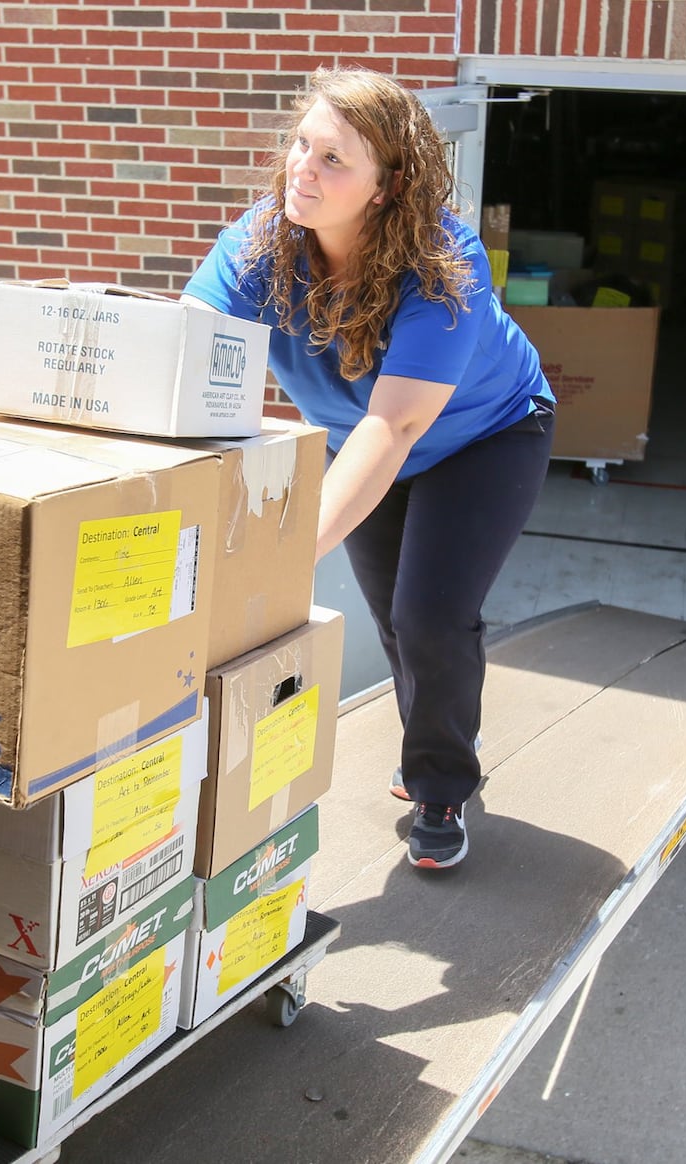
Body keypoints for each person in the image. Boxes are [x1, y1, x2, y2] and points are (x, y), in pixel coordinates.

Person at [182, 66, 555, 870]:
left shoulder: (442, 267)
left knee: (431, 615)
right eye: (301, 147)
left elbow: (394, 427)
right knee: (392, 615)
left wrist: (281, 558)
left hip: (484, 436)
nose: (302, 171)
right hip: (367, 440)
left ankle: (441, 786)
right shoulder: (263, 244)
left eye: (333, 161)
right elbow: (188, 351)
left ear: (385, 189)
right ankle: (442, 721)